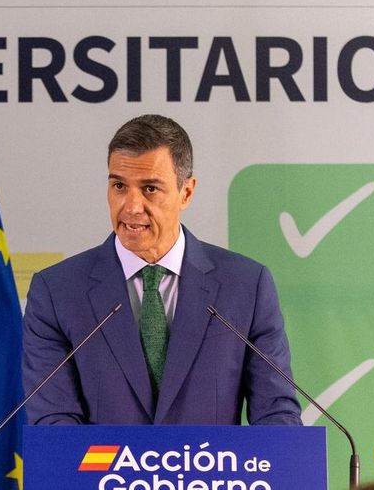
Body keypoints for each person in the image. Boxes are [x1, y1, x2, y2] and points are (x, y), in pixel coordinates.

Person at [22, 114, 302, 425]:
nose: (130, 206)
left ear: (187, 192)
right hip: (103, 474)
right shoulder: (57, 292)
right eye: (119, 186)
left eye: (150, 189)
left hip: (212, 473)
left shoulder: (246, 286)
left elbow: (278, 416)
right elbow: (52, 421)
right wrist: (126, 468)